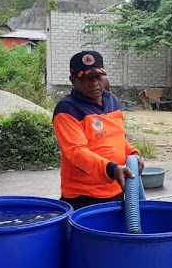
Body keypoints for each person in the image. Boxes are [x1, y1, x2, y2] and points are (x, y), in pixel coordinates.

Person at [52, 50, 144, 210]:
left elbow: (117, 138)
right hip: (85, 197)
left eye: (98, 77)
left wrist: (133, 153)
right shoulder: (67, 110)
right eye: (87, 78)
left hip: (117, 189)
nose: (94, 83)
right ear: (73, 81)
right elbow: (76, 152)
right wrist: (111, 168)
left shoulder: (112, 101)